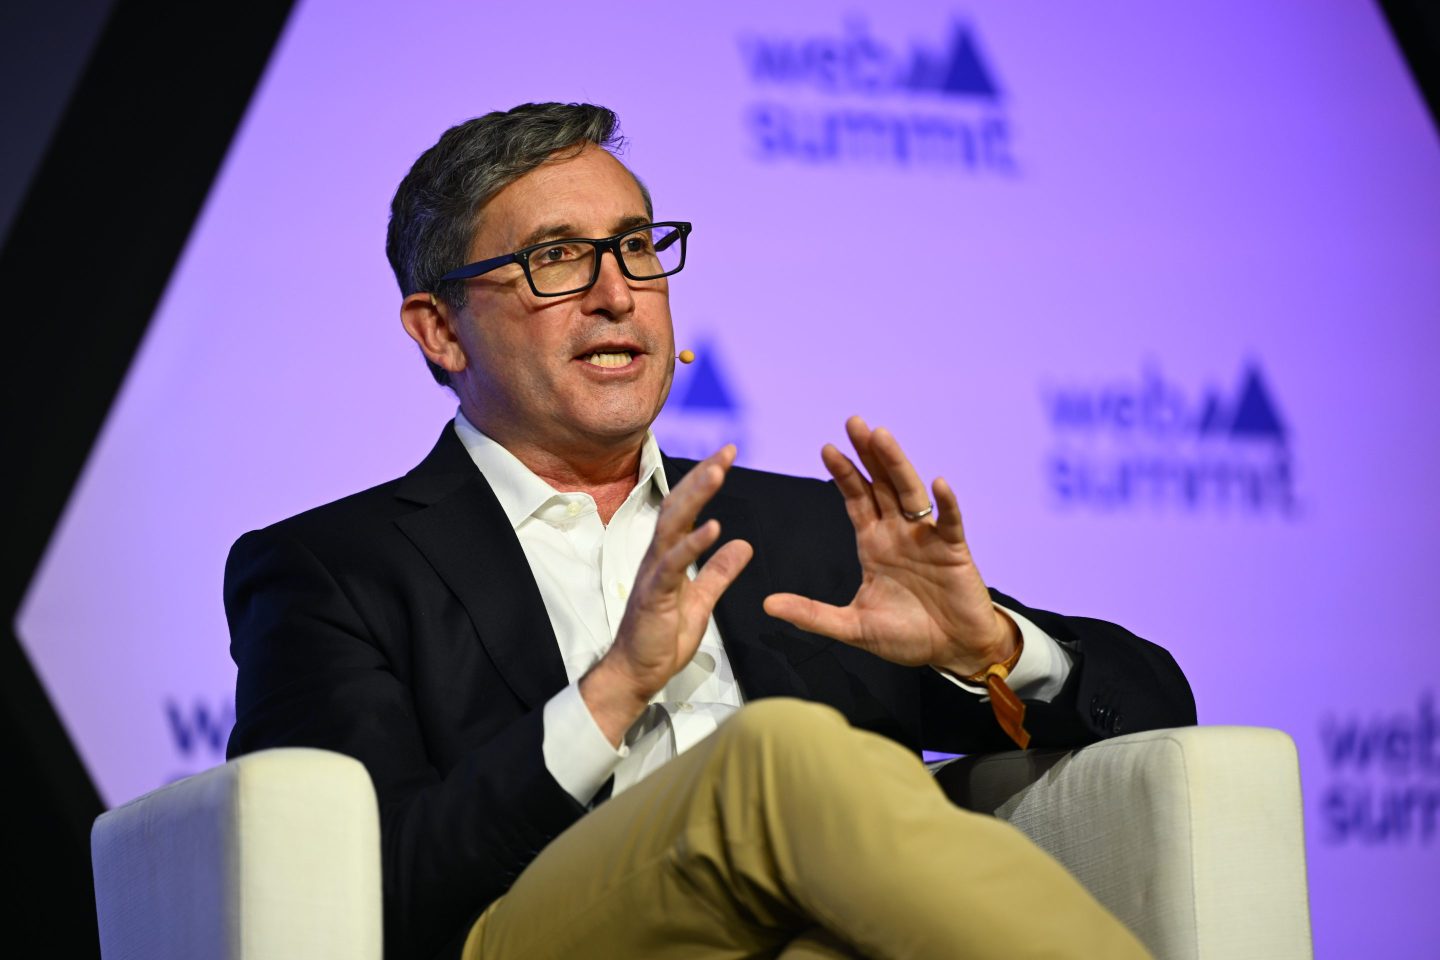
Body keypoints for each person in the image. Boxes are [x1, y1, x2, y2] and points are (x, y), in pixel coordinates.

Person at [225, 102, 1195, 960]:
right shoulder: (336, 570)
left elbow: (1159, 713)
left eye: (637, 245)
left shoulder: (809, 528)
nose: (618, 291)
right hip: (533, 931)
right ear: (440, 330)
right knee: (779, 754)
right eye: (558, 256)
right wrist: (611, 694)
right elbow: (350, 889)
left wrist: (989, 646)